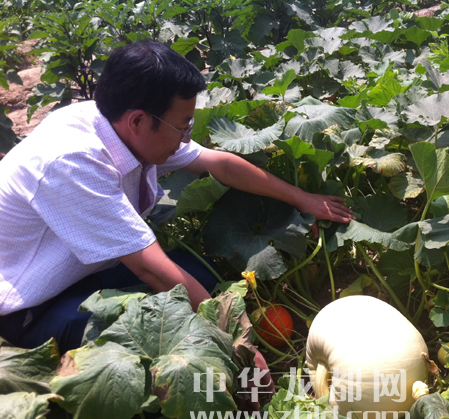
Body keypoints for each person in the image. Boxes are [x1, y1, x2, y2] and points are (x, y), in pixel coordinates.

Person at [0, 40, 354, 356]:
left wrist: (301, 197)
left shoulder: (117, 122)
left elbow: (219, 164)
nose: (186, 138)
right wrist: (235, 343)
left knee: (200, 275)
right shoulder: (72, 161)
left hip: (84, 276)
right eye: (182, 126)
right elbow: (148, 266)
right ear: (138, 121)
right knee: (139, 332)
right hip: (29, 312)